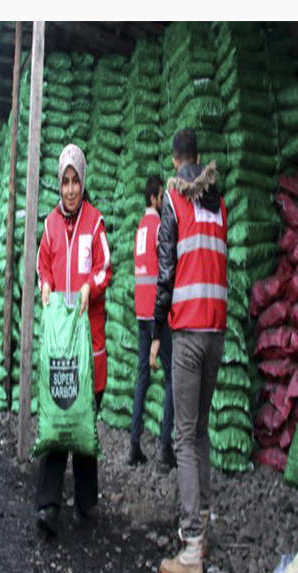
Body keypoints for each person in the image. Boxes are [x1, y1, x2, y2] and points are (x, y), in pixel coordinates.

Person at [153, 129, 228, 573]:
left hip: (188, 330)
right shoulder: (219, 203)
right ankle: (202, 522)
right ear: (198, 159)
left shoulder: (173, 199)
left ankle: (191, 548)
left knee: (182, 437)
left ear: (175, 159)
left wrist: (159, 328)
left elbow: (166, 269)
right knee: (200, 432)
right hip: (217, 331)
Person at [34, 144, 111, 535]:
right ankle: (48, 505)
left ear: (83, 182)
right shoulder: (49, 225)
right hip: (59, 347)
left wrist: (87, 289)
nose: (69, 189)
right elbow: (42, 262)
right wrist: (46, 284)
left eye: (75, 181)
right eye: (64, 181)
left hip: (87, 347)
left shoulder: (95, 224)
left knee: (82, 424)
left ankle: (86, 504)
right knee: (55, 419)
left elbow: (105, 268)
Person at [129, 174, 176, 470]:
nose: (163, 201)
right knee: (171, 375)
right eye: (161, 196)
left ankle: (133, 446)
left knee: (142, 377)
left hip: (140, 313)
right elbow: (165, 272)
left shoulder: (139, 230)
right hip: (158, 316)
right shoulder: (160, 227)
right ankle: (164, 448)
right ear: (153, 199)